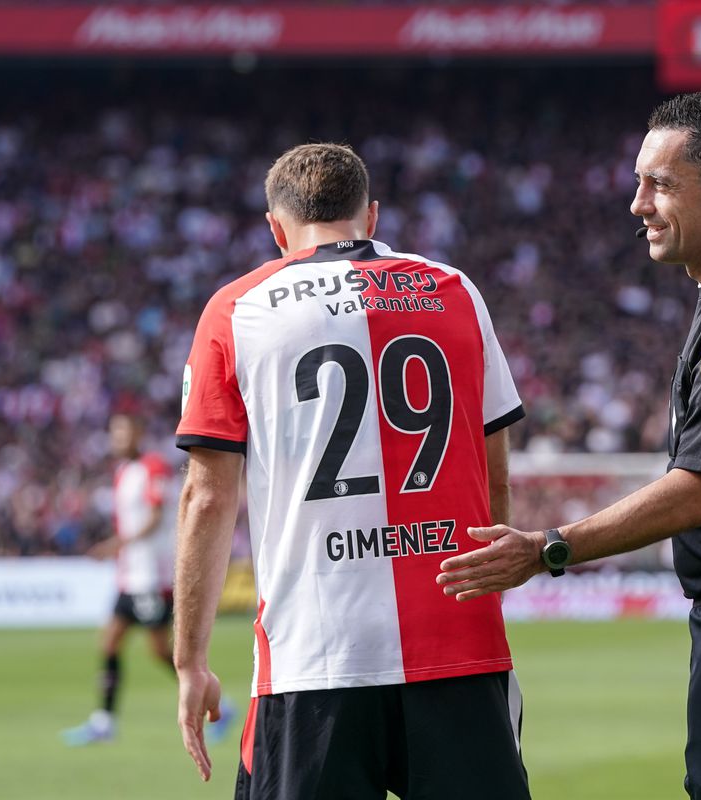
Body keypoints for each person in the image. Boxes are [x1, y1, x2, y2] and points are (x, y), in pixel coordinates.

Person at [436, 90, 701, 799]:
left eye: (659, 184)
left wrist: (548, 547)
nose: (637, 203)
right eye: (640, 181)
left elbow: (695, 492)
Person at [172, 142, 530, 799]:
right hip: (457, 643)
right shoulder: (455, 290)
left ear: (276, 229)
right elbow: (493, 475)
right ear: (372, 215)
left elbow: (206, 497)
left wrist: (190, 660)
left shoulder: (237, 308)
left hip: (315, 653)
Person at [63, 413, 238, 745]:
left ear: (138, 432)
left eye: (124, 431)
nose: (118, 439)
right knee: (110, 641)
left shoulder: (153, 467)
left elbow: (157, 518)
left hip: (151, 577)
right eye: (114, 432)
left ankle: (220, 703)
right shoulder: (123, 473)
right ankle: (103, 722)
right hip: (130, 577)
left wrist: (116, 545)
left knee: (162, 651)